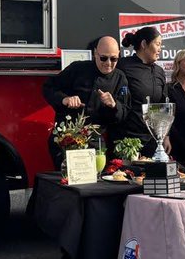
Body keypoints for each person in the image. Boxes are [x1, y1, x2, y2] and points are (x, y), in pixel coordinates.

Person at [42, 36, 129, 165]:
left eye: (114, 59)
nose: (108, 63)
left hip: (94, 141)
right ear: (95, 53)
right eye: (104, 58)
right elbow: (48, 87)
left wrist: (114, 105)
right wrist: (64, 99)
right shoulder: (77, 69)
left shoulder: (120, 78)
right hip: (67, 138)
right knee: (69, 180)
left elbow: (125, 111)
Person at [118, 26, 168, 156]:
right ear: (144, 44)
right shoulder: (123, 66)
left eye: (161, 45)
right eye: (157, 44)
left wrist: (165, 136)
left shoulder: (159, 71)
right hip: (128, 140)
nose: (160, 49)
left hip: (153, 140)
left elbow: (163, 105)